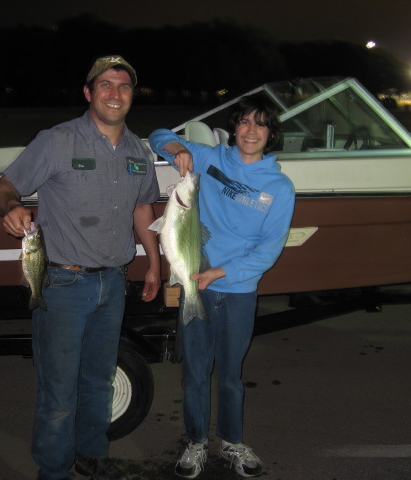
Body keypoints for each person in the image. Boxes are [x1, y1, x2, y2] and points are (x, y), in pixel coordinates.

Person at [0, 55, 161, 480]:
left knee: (100, 381)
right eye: (105, 85)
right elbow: (5, 186)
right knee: (60, 390)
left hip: (114, 283)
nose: (115, 94)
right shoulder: (57, 140)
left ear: (132, 95)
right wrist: (10, 208)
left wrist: (154, 264)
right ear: (88, 93)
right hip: (64, 284)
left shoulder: (139, 150)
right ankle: (53, 470)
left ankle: (90, 453)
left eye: (123, 86)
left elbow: (143, 209)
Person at [149, 94, 295, 478]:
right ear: (234, 128)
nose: (251, 131)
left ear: (271, 133)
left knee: (230, 376)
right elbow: (158, 135)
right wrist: (179, 149)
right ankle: (196, 442)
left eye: (260, 124)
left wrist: (222, 272)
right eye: (244, 122)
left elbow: (269, 251)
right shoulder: (210, 159)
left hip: (238, 291)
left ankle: (231, 441)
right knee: (195, 374)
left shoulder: (279, 187)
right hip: (196, 280)